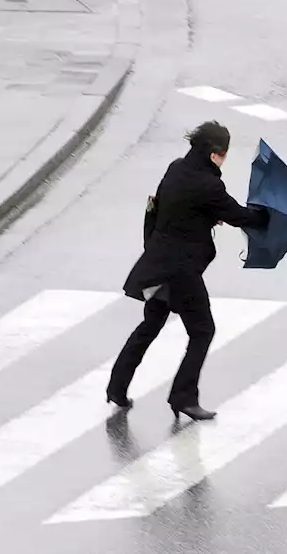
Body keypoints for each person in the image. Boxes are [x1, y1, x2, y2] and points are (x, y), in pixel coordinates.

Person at [107, 121, 270, 421]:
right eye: (224, 154)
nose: (224, 159)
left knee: (151, 324)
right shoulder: (209, 185)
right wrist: (265, 216)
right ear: (213, 154)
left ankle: (117, 386)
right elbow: (237, 215)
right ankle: (183, 396)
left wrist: (205, 216)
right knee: (202, 330)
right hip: (180, 272)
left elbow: (172, 207)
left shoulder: (176, 168)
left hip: (156, 264)